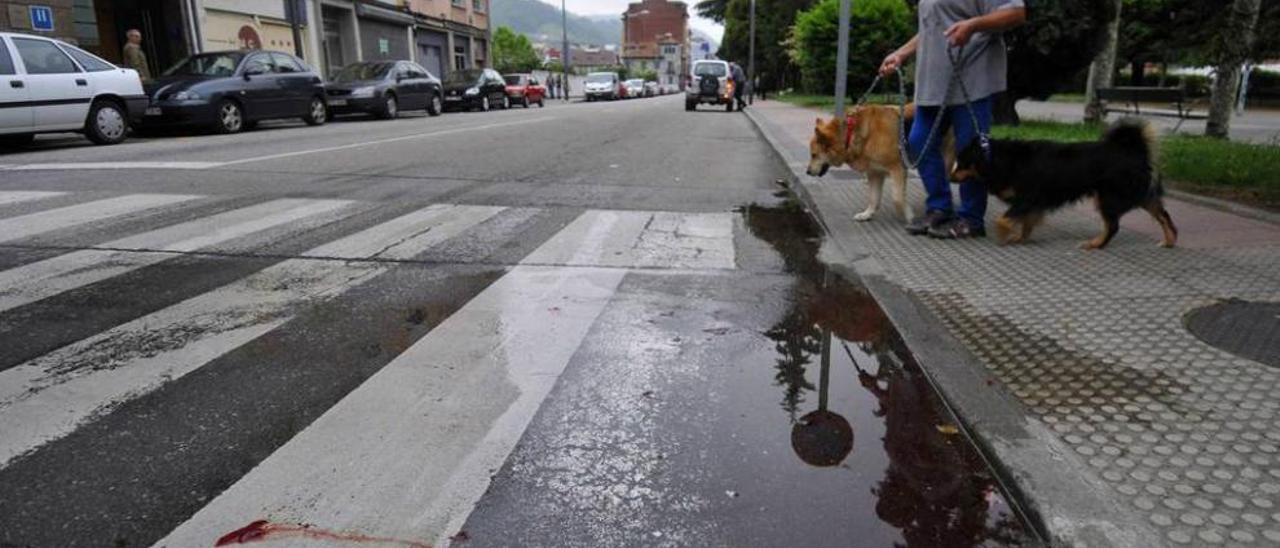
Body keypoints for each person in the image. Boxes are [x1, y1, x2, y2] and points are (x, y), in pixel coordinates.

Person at [879, 0, 1026, 239]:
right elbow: (933, 28)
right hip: (933, 82)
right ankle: (940, 208)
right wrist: (901, 53)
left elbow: (1016, 13)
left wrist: (973, 25)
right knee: (919, 142)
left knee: (971, 151)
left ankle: (971, 218)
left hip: (971, 77)